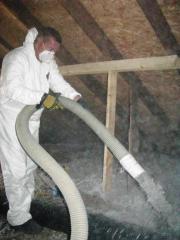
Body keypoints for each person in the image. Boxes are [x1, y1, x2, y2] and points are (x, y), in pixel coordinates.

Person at [0, 27, 81, 234]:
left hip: (32, 120)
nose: (52, 54)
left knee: (29, 166)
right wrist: (43, 99)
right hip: (12, 119)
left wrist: (75, 97)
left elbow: (57, 81)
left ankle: (24, 207)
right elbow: (13, 89)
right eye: (50, 48)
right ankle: (17, 219)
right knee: (16, 170)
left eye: (55, 51)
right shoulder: (16, 57)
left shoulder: (47, 62)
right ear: (39, 41)